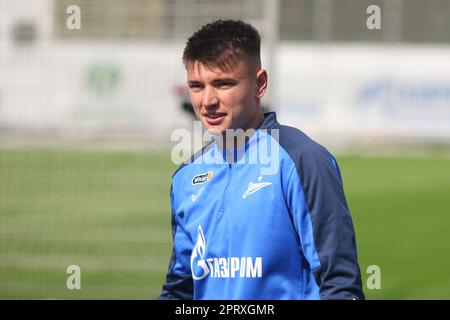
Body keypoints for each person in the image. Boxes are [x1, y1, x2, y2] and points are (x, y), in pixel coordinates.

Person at [160, 19, 365, 300]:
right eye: (197, 86)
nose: (207, 100)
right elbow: (180, 290)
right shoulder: (185, 177)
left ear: (260, 84)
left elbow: (340, 283)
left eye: (223, 84)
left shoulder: (302, 161)